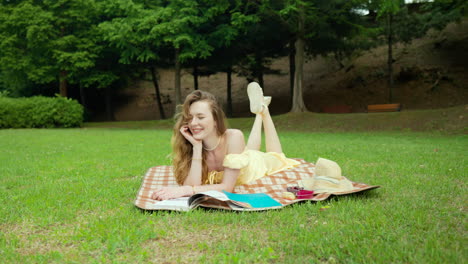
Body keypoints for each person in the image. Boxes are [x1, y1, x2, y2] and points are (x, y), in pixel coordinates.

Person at [151, 82, 300, 201]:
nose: (193, 123)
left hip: (256, 165)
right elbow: (192, 185)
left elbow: (227, 187)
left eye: (200, 117)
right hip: (242, 156)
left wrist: (185, 190)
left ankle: (263, 111)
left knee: (277, 156)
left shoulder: (233, 136)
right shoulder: (193, 145)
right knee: (249, 150)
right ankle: (260, 111)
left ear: (216, 120)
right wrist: (197, 147)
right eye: (190, 118)